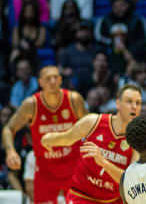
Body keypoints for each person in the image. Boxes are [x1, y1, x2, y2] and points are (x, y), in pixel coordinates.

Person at [40, 84, 142, 203]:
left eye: (138, 103)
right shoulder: (94, 122)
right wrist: (46, 139)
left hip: (112, 200)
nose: (134, 106)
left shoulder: (138, 141)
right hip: (81, 195)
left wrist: (103, 161)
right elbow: (66, 138)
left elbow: (130, 181)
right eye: (129, 101)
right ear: (118, 104)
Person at [2, 66, 88, 204]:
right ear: (40, 82)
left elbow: (91, 128)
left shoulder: (74, 100)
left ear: (60, 80)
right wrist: (10, 151)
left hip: (73, 170)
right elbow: (9, 128)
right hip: (45, 173)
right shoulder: (31, 105)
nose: (53, 81)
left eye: (56, 77)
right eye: (48, 78)